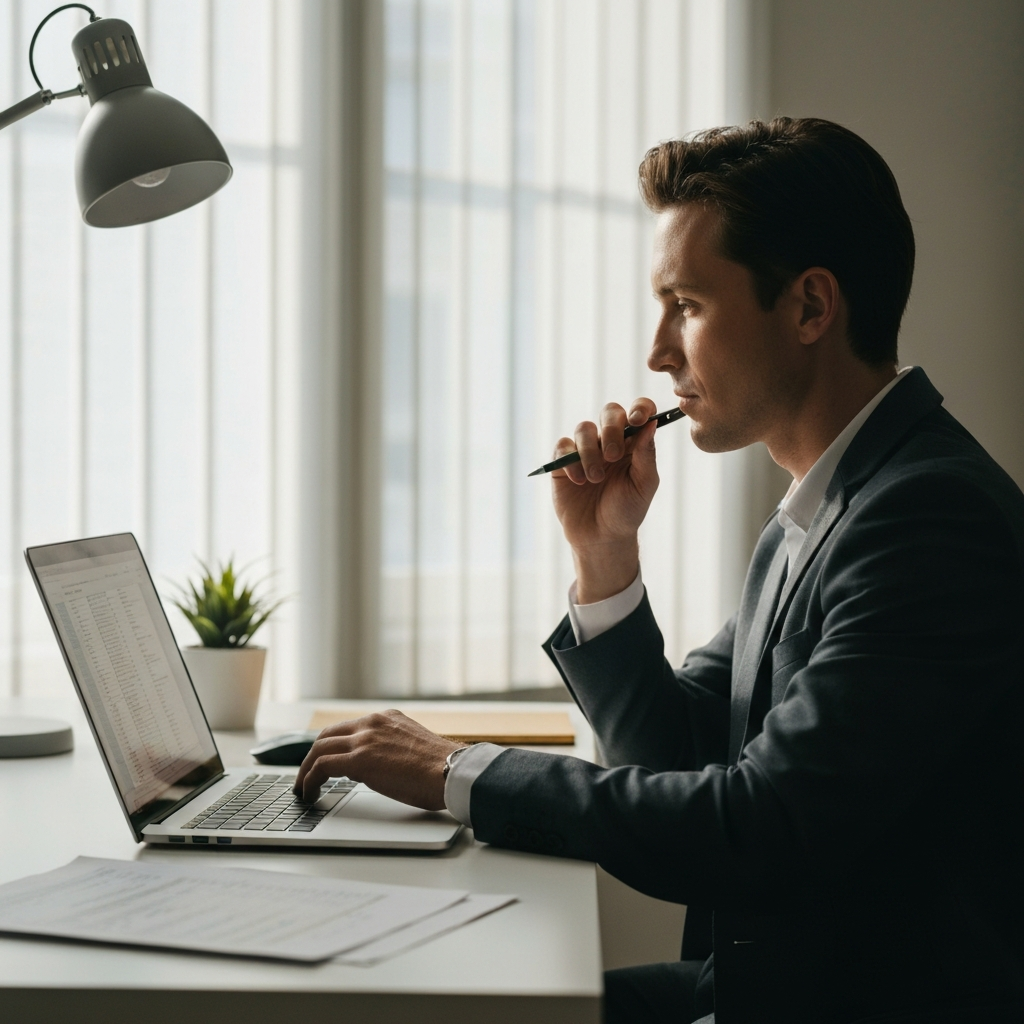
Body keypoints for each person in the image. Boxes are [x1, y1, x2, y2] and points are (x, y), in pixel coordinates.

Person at [294, 118, 1024, 1024]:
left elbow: (761, 830)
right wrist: (605, 554)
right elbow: (680, 754)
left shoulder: (926, 519)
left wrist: (455, 769)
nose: (656, 352)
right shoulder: (826, 502)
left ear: (808, 308)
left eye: (686, 305)